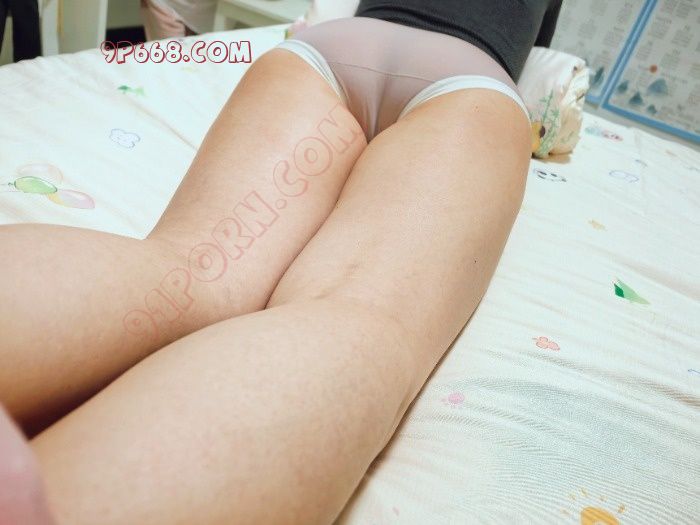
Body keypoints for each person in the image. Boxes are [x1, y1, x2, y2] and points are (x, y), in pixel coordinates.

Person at [0, 1, 561, 523]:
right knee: (355, 317)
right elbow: (540, 69)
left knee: (194, 269)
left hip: (329, 50)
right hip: (468, 78)